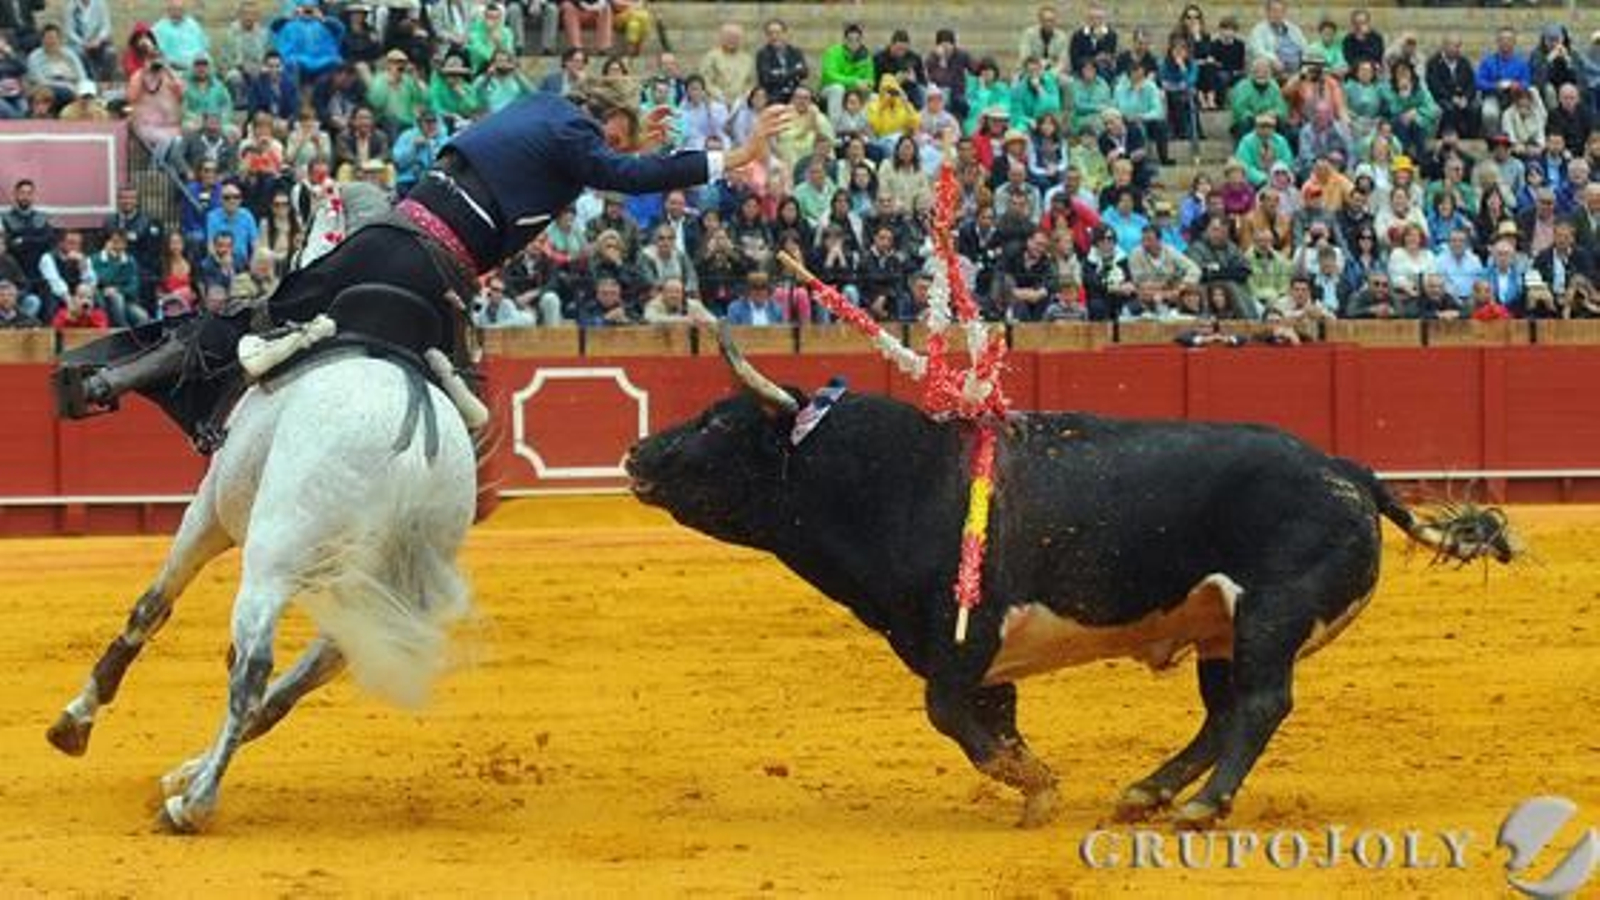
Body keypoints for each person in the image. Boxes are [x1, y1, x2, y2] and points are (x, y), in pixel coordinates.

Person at [58, 76, 795, 439]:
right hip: (432, 270)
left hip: (387, 234)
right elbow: (619, 172)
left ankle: (122, 378)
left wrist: (637, 136)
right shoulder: (575, 134)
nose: (617, 144)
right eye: (622, 132)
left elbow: (608, 156)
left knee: (264, 318)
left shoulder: (539, 109)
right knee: (456, 415)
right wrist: (736, 156)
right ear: (607, 119)